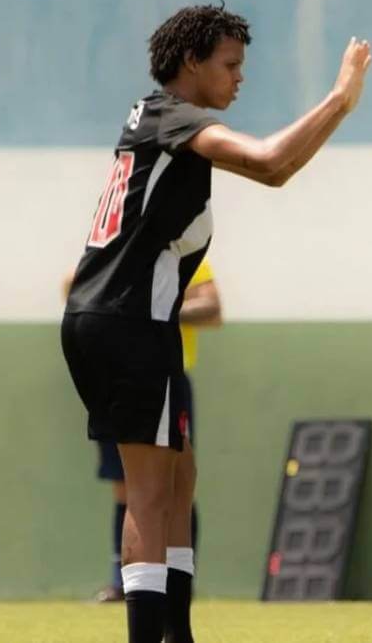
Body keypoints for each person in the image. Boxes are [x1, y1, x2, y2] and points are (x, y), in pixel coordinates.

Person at [61, 3, 371, 643]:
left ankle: (179, 631)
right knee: (147, 490)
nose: (240, 77)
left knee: (180, 474)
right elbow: (270, 163)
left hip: (137, 322)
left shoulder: (166, 128)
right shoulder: (171, 116)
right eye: (230, 64)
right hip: (125, 323)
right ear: (190, 63)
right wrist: (339, 100)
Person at [92, 257, 221, 603]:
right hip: (116, 381)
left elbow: (211, 307)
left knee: (175, 485)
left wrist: (156, 309)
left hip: (167, 376)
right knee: (126, 486)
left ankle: (179, 585)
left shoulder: (185, 252)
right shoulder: (112, 252)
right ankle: (123, 584)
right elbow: (74, 288)